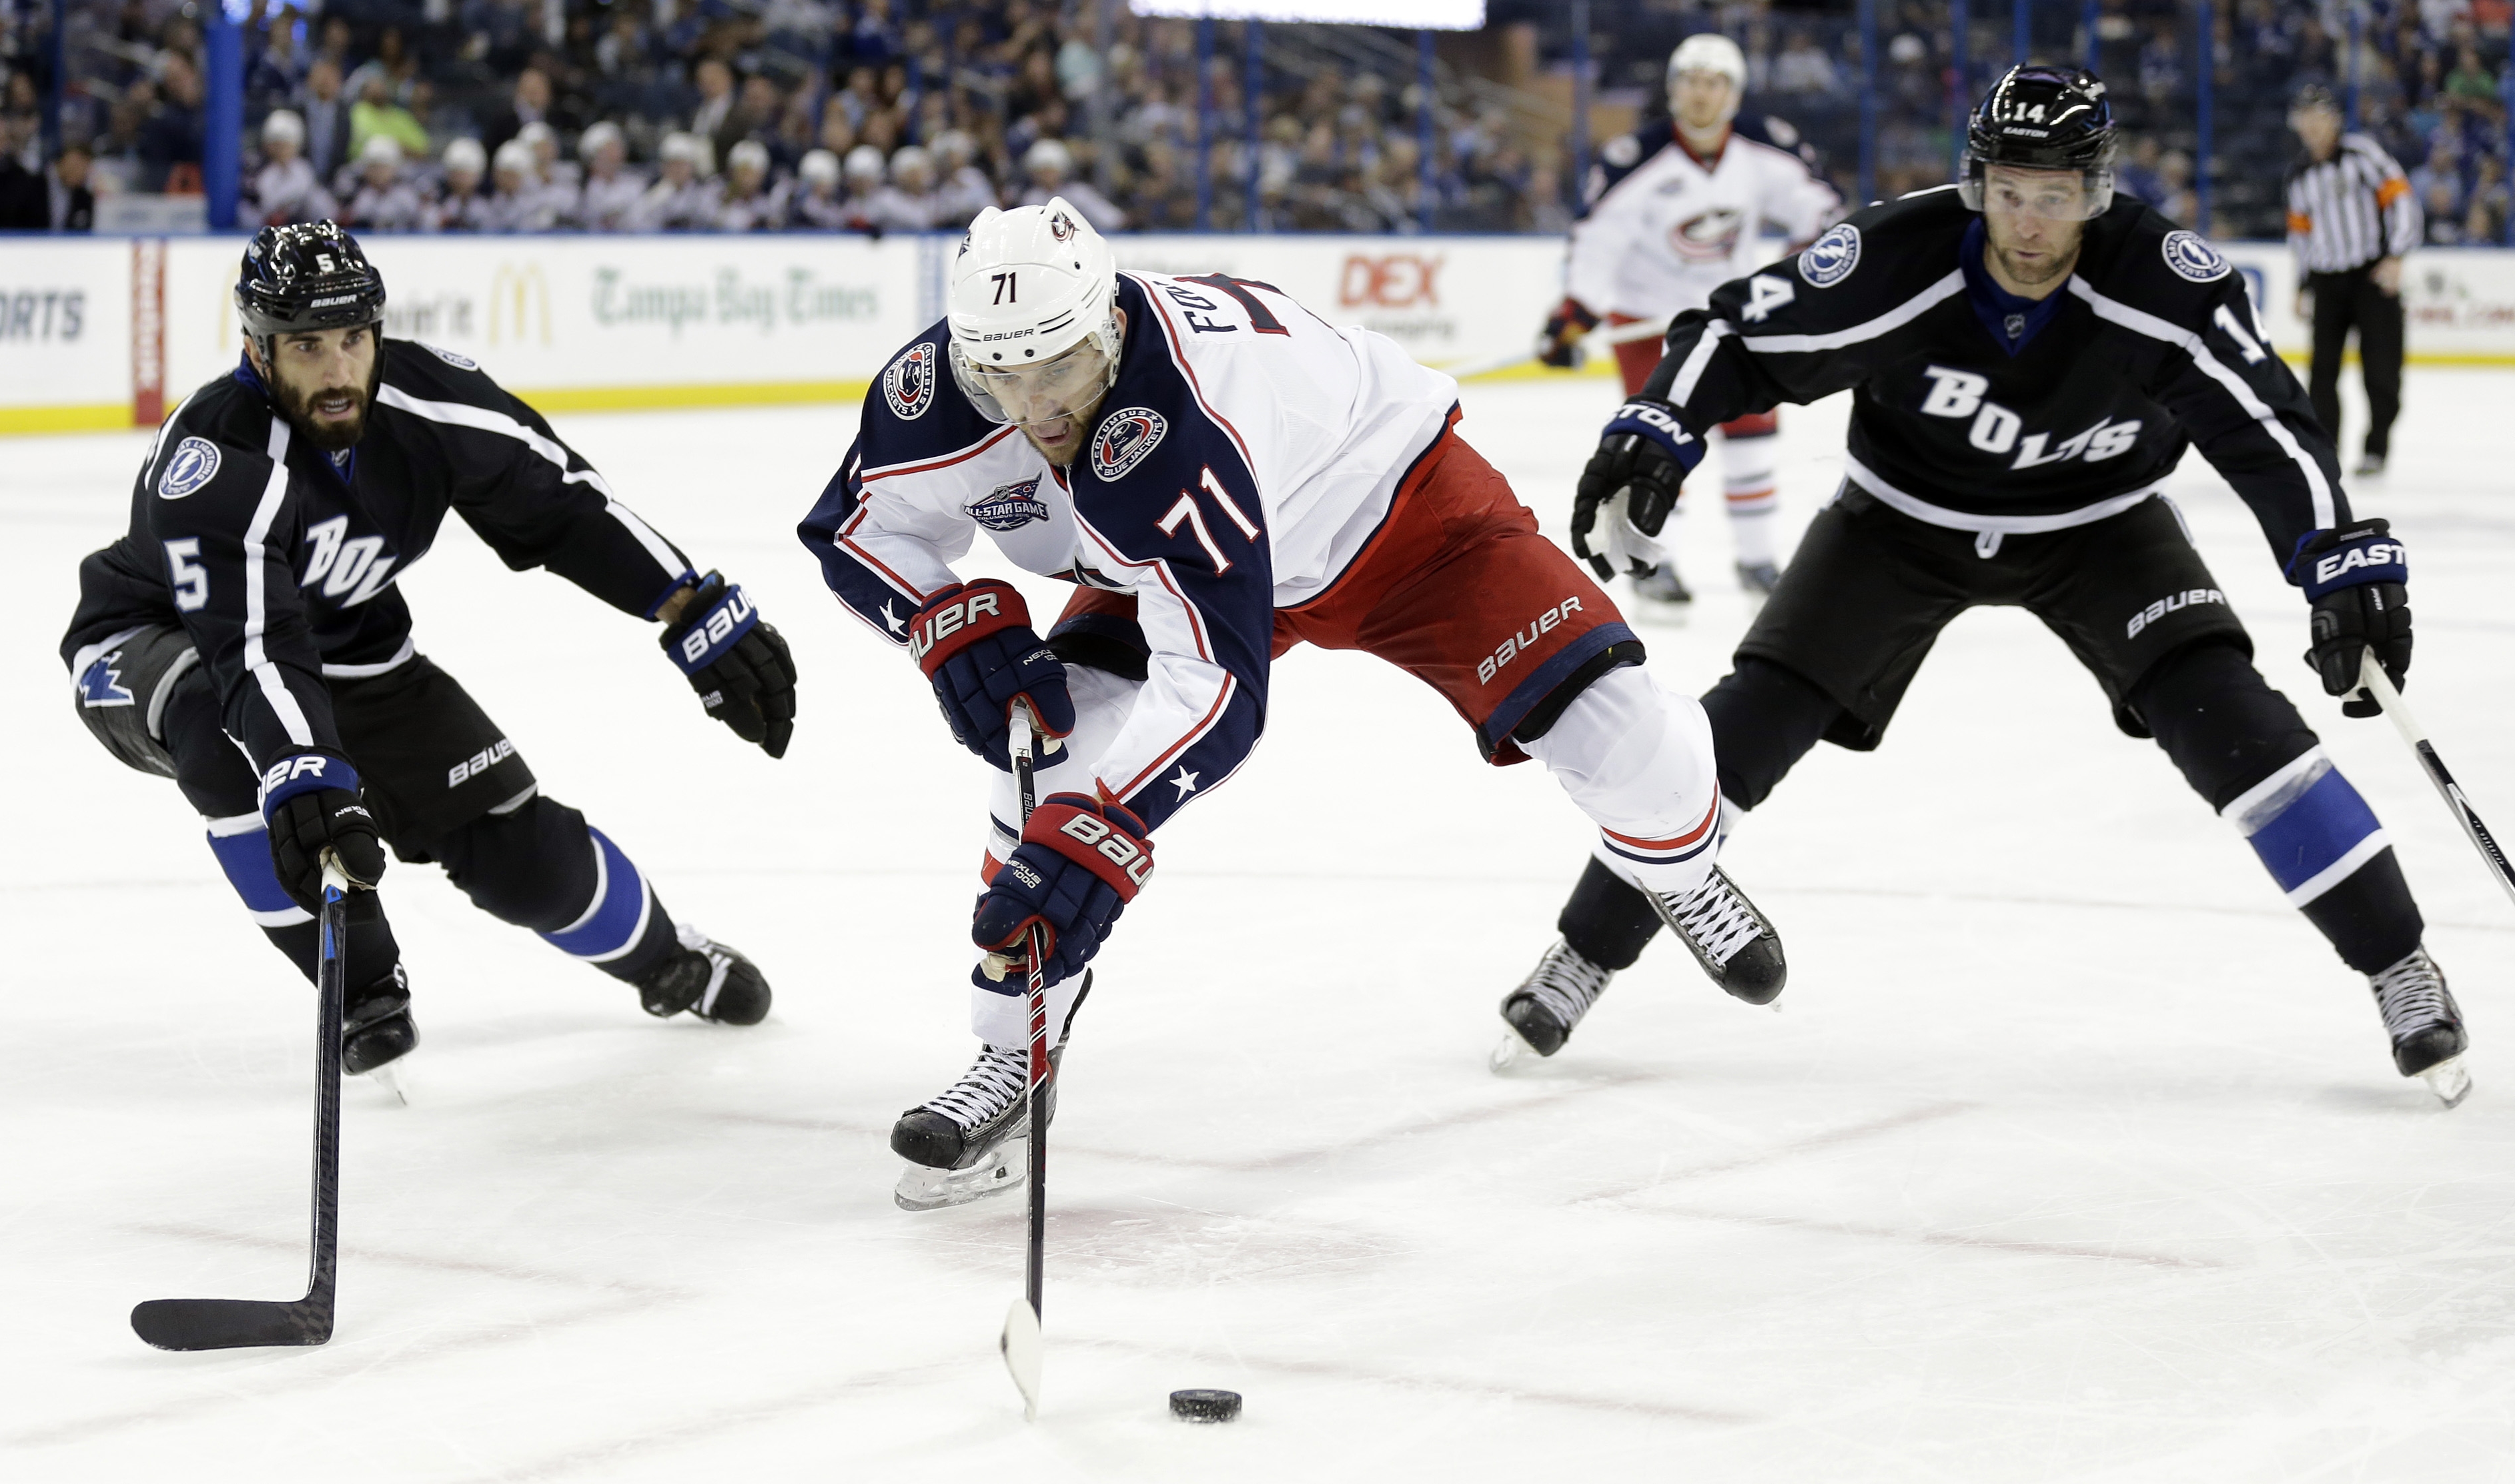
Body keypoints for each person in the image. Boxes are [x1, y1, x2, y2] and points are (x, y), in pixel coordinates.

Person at [1512, 66, 2466, 1106]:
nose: (2028, 223)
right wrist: (1657, 424)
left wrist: (2335, 551)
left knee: (2236, 726)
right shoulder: (1896, 256)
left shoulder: (2161, 279)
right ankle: (1581, 958)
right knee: (1738, 732)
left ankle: (2400, 967)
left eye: (2055, 197)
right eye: (2009, 190)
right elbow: (1739, 334)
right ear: (1977, 183)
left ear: (2097, 194)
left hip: (2100, 527)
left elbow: (2265, 421)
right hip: (1898, 523)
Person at [800, 199, 1784, 1209]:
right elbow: (853, 531)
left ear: (1107, 329)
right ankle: (1014, 1055)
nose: (1035, 407)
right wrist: (943, 617)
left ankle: (1678, 860)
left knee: (1638, 755)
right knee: (1048, 753)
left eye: (1057, 367)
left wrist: (1105, 832)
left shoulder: (1173, 423)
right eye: (1002, 374)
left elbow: (1220, 688)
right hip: (1184, 563)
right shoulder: (943, 392)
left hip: (1399, 514)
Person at [61, 225, 799, 1081]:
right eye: (307, 346)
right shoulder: (217, 458)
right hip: (158, 644)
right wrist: (305, 769)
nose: (338, 370)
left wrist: (693, 607)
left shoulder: (429, 401)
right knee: (230, 747)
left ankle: (667, 956)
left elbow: (560, 504)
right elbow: (251, 646)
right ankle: (364, 982)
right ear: (259, 352)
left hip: (354, 648)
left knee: (520, 856)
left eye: (353, 339)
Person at [1538, 33, 1843, 614]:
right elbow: (1598, 239)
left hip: (1727, 320)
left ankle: (1756, 559)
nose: (1701, 94)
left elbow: (1820, 204)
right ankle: (1655, 563)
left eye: (1715, 82)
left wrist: (1816, 248)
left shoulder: (1763, 148)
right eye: (1690, 81)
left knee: (1753, 436)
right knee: (1662, 439)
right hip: (1648, 320)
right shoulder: (1638, 157)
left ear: (1733, 93)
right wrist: (1575, 311)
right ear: (1673, 89)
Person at [2286, 85, 2420, 477]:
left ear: (2334, 120)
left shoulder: (2362, 155)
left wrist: (2396, 256)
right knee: (2322, 373)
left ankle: (2376, 447)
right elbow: (2300, 234)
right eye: (2303, 119)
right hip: (2327, 281)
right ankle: (2325, 450)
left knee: (2381, 370)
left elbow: (2402, 200)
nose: (2310, 126)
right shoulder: (2298, 174)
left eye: (2317, 117)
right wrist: (2301, 283)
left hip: (2372, 277)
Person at [253, 109, 336, 225]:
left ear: (297, 145)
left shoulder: (304, 170)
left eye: (286, 145)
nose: (281, 151)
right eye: (276, 145)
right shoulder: (257, 169)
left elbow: (323, 207)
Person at [341, 134, 424, 232]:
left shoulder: (408, 194)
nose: (378, 173)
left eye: (383, 167)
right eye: (373, 167)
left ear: (394, 168)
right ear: (365, 169)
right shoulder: (352, 194)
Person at [575, 121, 646, 231]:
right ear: (593, 157)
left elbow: (641, 222)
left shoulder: (635, 184)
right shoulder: (581, 188)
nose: (614, 157)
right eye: (607, 151)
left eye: (616, 150)